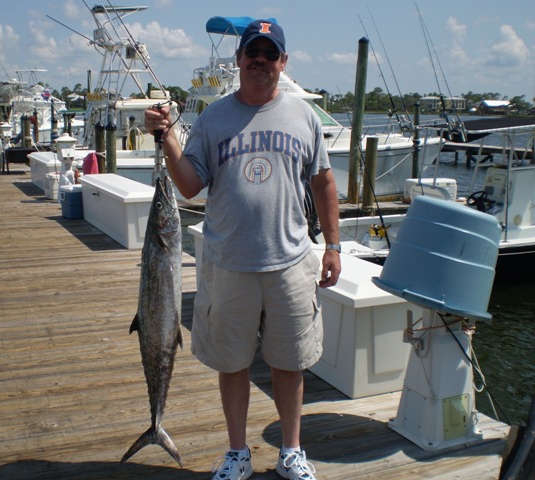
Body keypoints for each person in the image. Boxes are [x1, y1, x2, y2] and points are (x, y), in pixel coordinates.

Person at [145, 19, 341, 480]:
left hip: (291, 263)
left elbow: (324, 182)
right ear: (238, 59)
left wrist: (333, 246)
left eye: (270, 53)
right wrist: (166, 137)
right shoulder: (214, 117)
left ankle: (291, 451)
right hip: (228, 264)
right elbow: (190, 185)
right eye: (253, 51)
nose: (260, 60)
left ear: (283, 62)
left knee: (289, 363)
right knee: (231, 364)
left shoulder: (304, 117)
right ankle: (237, 452)